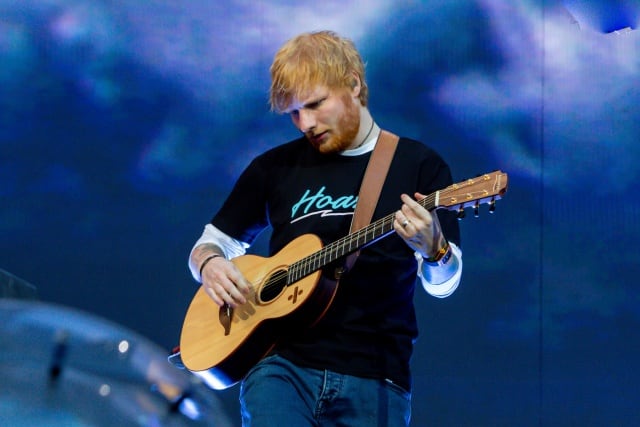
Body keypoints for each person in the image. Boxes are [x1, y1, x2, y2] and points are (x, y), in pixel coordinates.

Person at [188, 30, 463, 427]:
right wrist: (210, 264)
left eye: (316, 104)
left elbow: (443, 283)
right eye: (295, 113)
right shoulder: (274, 168)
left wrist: (434, 250)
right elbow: (210, 243)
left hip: (375, 378)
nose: (306, 124)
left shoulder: (418, 165)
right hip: (280, 368)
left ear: (353, 84)